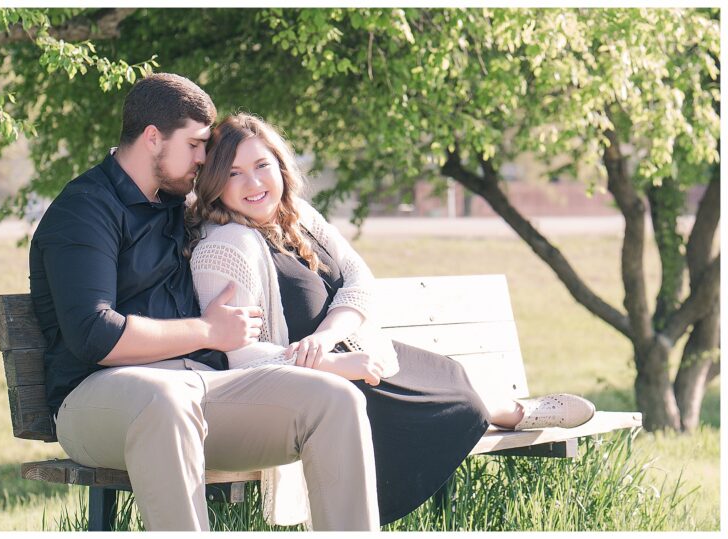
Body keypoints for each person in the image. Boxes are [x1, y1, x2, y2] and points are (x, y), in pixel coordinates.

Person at [185, 113, 597, 525]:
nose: (254, 184)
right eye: (234, 173)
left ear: (280, 166)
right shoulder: (225, 246)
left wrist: (330, 336)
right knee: (461, 405)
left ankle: (513, 410)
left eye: (261, 166)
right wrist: (335, 366)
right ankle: (512, 413)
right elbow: (242, 361)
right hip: (316, 393)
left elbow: (359, 279)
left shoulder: (298, 216)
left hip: (358, 353)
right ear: (215, 184)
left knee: (453, 376)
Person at [29, 73, 382, 531]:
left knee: (334, 400)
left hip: (199, 387)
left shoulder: (179, 205)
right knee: (164, 400)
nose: (204, 158)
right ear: (153, 138)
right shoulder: (85, 210)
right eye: (196, 145)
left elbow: (264, 207)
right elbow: (94, 335)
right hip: (98, 399)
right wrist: (208, 331)